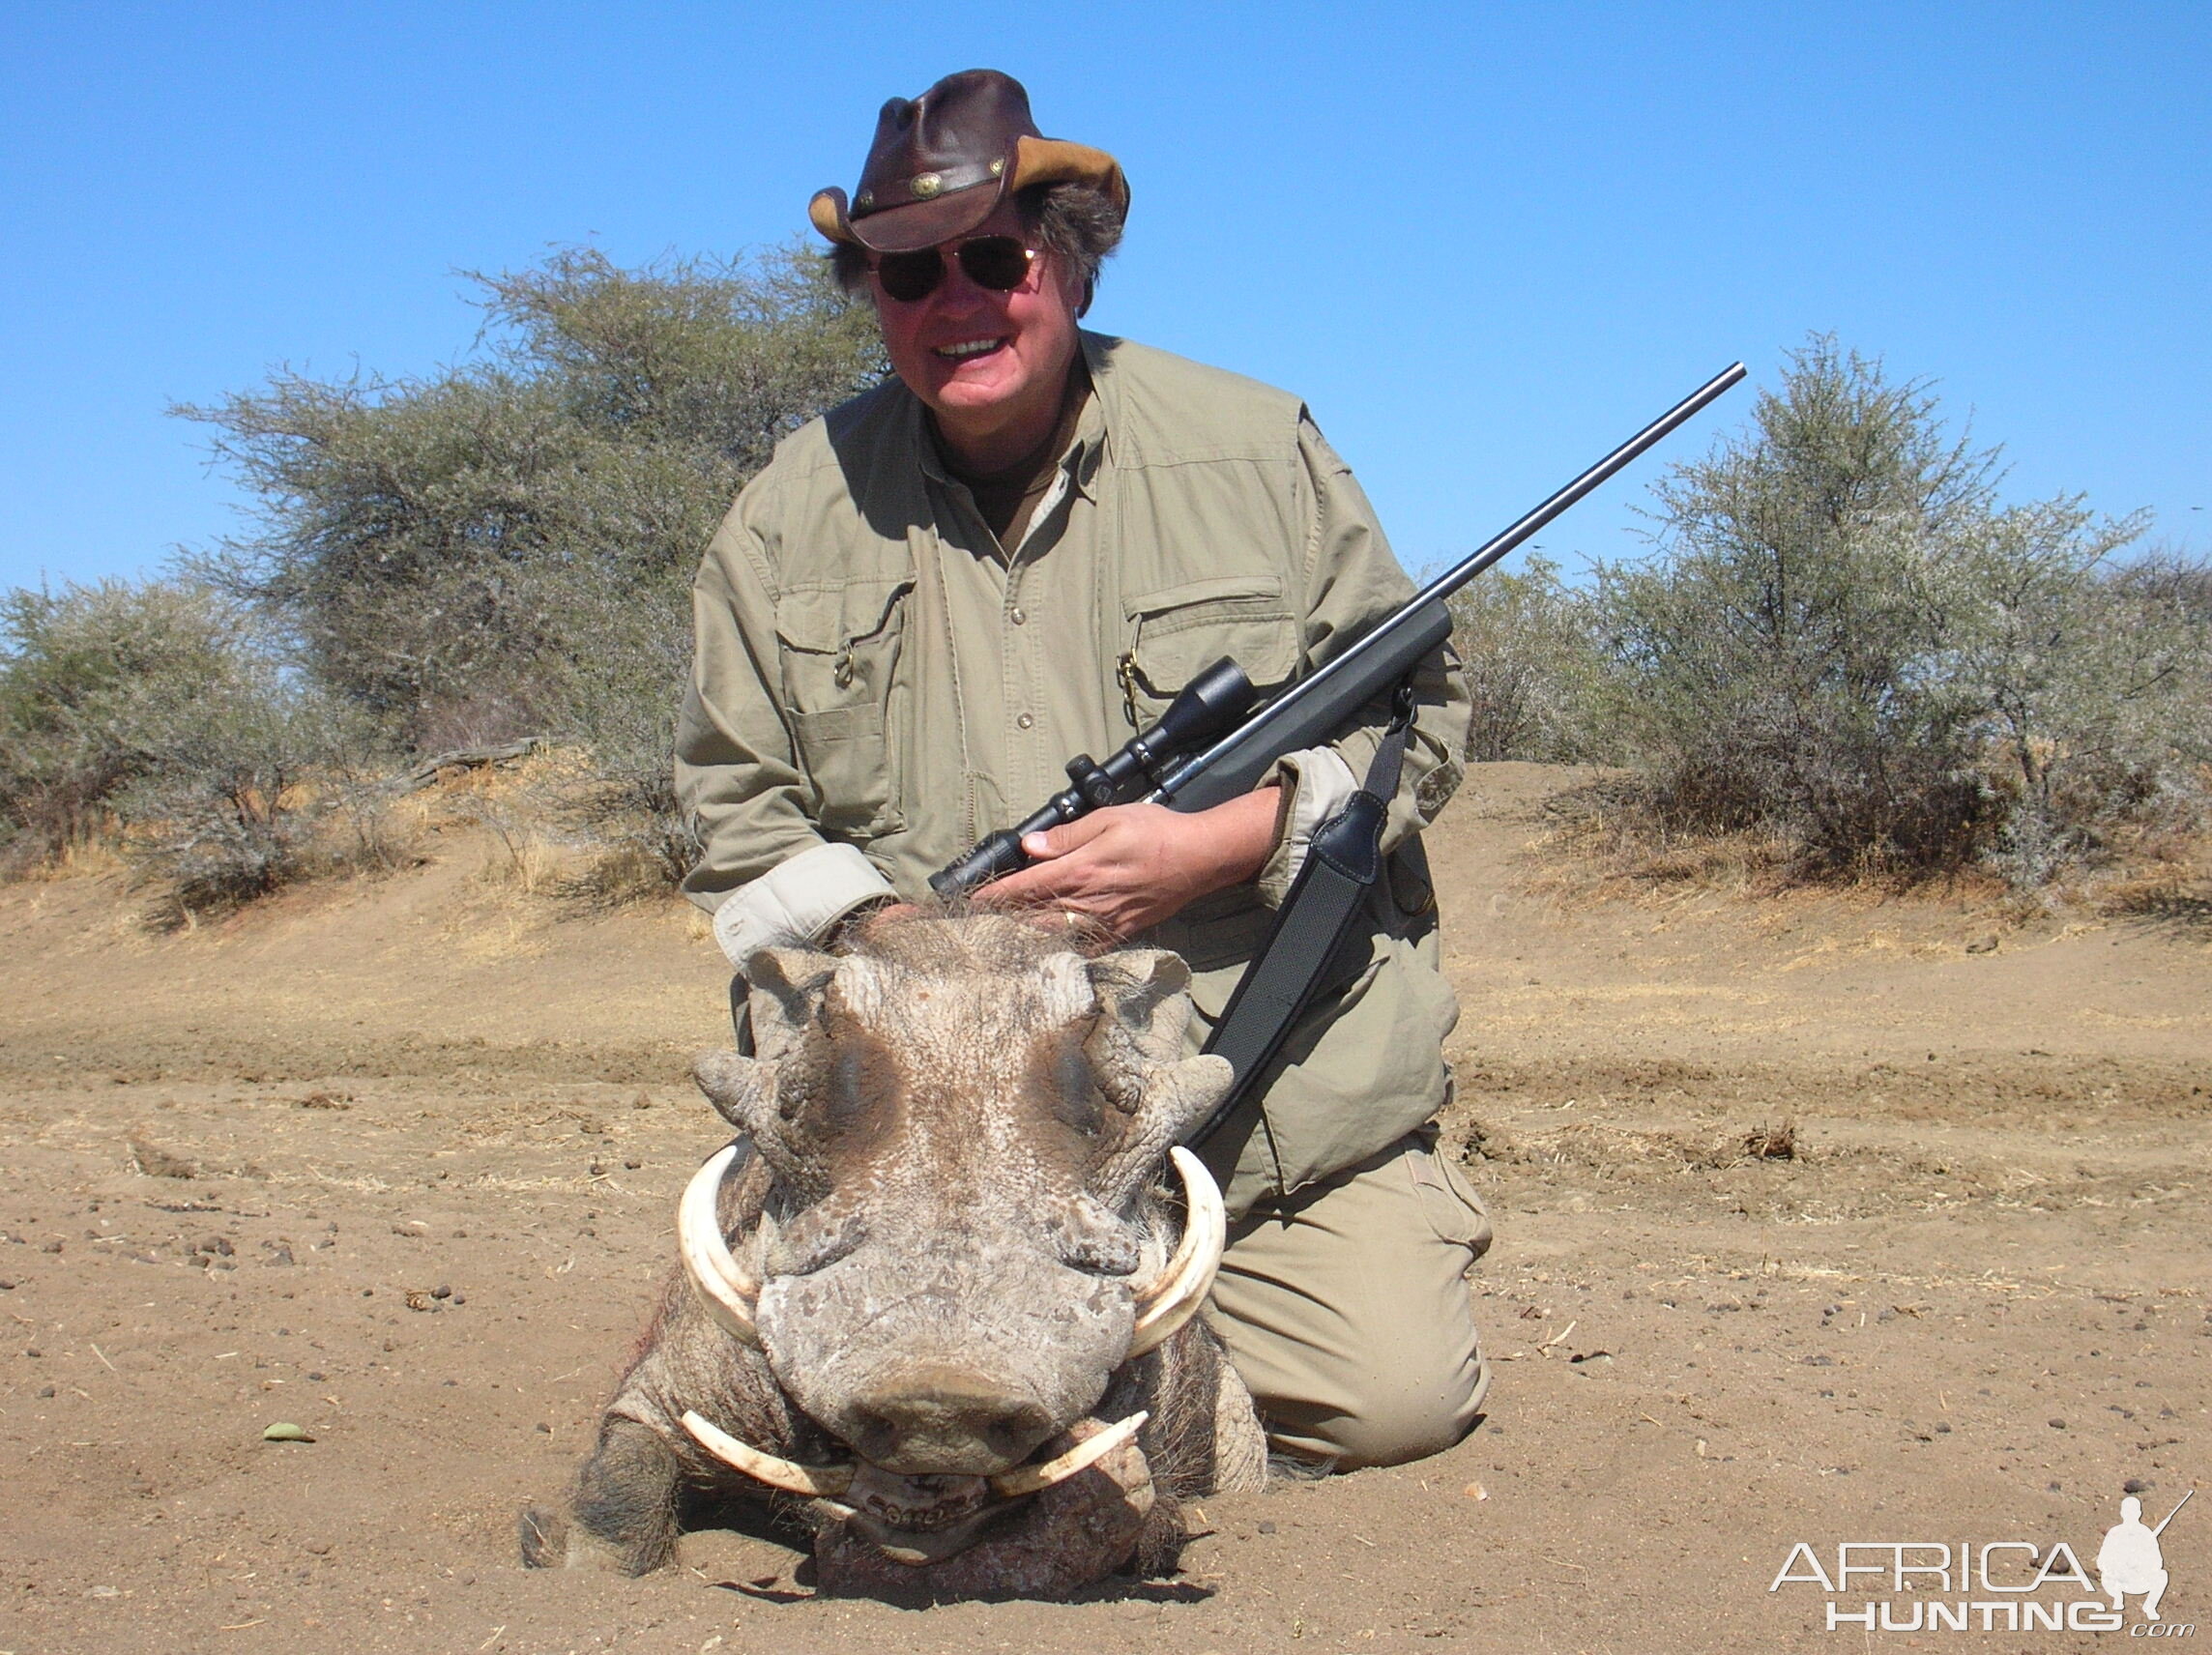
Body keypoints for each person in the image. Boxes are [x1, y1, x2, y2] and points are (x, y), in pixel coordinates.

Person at [675, 68, 1490, 1468]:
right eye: (907, 273)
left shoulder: (1253, 444)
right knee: (819, 1412)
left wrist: (1226, 841)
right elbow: (733, 810)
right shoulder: (783, 515)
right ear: (868, 294)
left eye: (995, 257)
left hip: (1256, 1094)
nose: (956, 303)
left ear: (1069, 263)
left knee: (1389, 1404)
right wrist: (910, 940)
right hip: (921, 1147)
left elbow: (1422, 709)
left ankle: (1179, 1317)